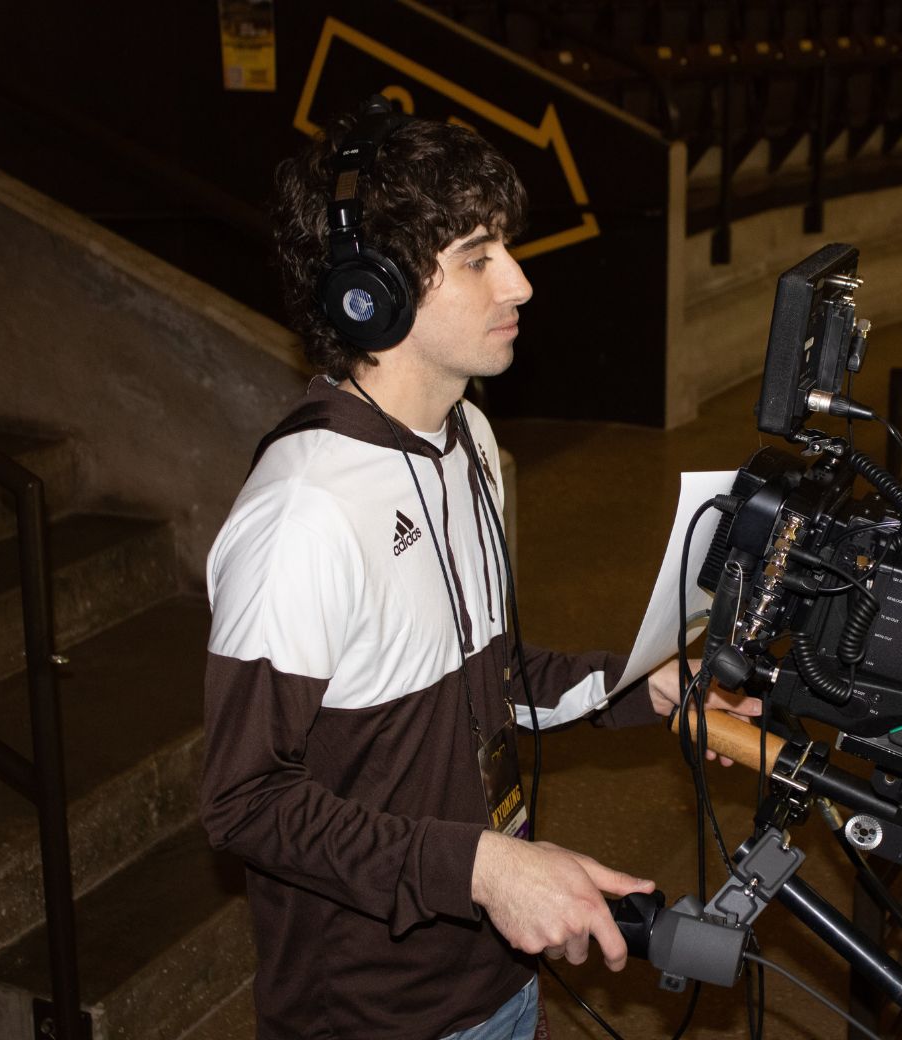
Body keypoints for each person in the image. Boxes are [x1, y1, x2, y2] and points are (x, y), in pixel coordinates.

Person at [200, 96, 751, 1039]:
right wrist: (483, 868)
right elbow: (244, 803)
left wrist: (642, 686)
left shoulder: (471, 439)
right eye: (477, 258)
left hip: (496, 969)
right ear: (368, 293)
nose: (523, 284)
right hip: (375, 1016)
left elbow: (491, 683)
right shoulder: (306, 514)